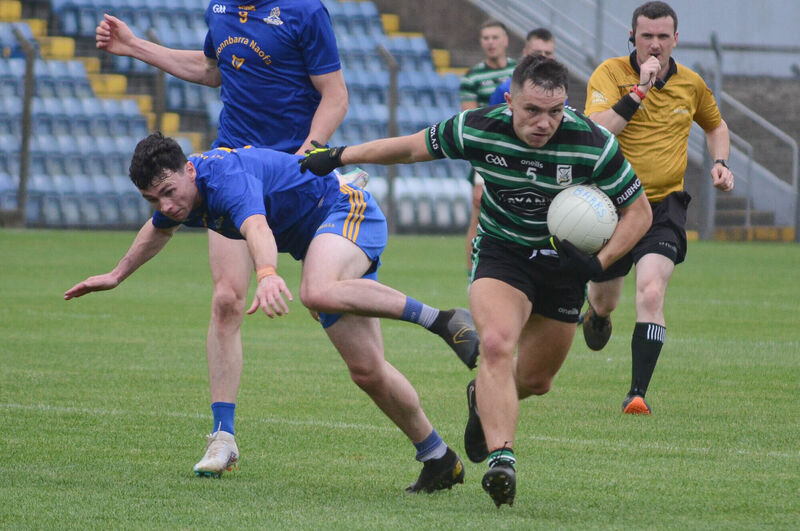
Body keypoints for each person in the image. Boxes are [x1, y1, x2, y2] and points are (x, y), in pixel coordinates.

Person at [299, 54, 653, 507]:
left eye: (555, 111)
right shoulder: (477, 127)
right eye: (532, 110)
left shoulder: (593, 143)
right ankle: (502, 460)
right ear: (509, 102)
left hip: (564, 268)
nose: (544, 122)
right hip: (503, 254)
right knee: (499, 345)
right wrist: (339, 155)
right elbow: (409, 148)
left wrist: (598, 263)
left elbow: (638, 213)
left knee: (537, 380)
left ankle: (479, 397)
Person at [64, 133, 479, 490]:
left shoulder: (224, 178)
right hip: (320, 240)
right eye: (153, 198)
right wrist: (117, 275)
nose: (166, 204)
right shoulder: (182, 197)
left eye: (169, 192)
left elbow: (256, 228)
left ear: (189, 169)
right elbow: (160, 227)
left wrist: (265, 273)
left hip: (347, 210)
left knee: (315, 291)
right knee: (368, 370)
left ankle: (443, 320)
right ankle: (438, 458)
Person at [95, 1, 355, 474]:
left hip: (291, 173)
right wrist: (134, 47)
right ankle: (223, 437)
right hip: (234, 165)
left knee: (329, 305)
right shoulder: (219, 8)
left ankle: (432, 352)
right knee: (227, 300)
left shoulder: (303, 11)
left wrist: (309, 151)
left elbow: (335, 95)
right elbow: (213, 69)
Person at [582, 1, 735, 415]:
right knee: (605, 302)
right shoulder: (610, 74)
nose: (654, 44)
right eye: (646, 36)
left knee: (651, 291)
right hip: (612, 203)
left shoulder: (692, 83)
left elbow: (716, 125)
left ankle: (637, 394)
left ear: (675, 39)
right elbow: (596, 132)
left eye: (662, 36)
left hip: (664, 204)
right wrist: (639, 91)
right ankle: (595, 315)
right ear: (632, 36)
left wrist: (720, 163)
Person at [459, 20, 517, 273]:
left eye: (495, 37)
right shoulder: (472, 77)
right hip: (487, 154)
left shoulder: (520, 70)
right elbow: (470, 121)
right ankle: (474, 272)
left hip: (517, 153)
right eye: (485, 38)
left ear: (506, 40)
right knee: (479, 213)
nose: (490, 42)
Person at [488, 28, 556, 106]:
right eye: (537, 52)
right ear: (525, 53)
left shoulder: (558, 91)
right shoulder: (506, 90)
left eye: (548, 53)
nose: (543, 57)